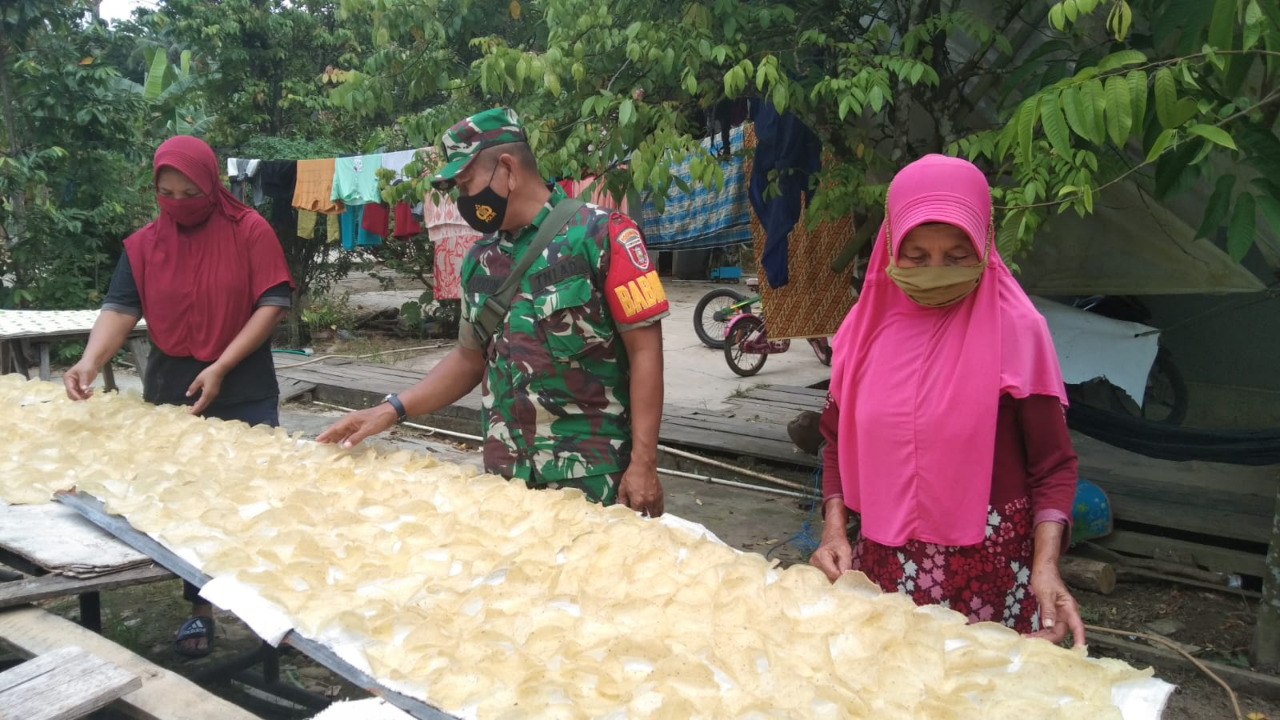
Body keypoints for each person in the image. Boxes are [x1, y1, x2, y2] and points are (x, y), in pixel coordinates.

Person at [318, 108, 667, 517]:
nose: (463, 201)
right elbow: (469, 359)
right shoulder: (479, 260)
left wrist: (643, 463)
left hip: (593, 475)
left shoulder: (605, 235)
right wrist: (390, 409)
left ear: (507, 169)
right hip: (506, 475)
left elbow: (646, 353)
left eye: (466, 184)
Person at [809, 154, 1086, 646]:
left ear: (984, 245)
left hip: (991, 575)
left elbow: (1053, 465)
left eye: (957, 257)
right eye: (917, 256)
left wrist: (1046, 568)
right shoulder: (862, 332)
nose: (936, 270)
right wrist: (835, 531)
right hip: (883, 565)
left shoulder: (1018, 331)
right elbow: (834, 442)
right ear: (891, 247)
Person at [63, 135, 294, 657]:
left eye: (189, 193)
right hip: (172, 387)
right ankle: (200, 607)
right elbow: (120, 308)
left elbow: (271, 302)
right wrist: (90, 360)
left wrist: (222, 365)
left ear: (212, 186)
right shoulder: (144, 244)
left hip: (241, 381)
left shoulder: (248, 231)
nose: (177, 202)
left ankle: (270, 610)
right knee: (186, 500)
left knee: (256, 498)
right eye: (166, 192)